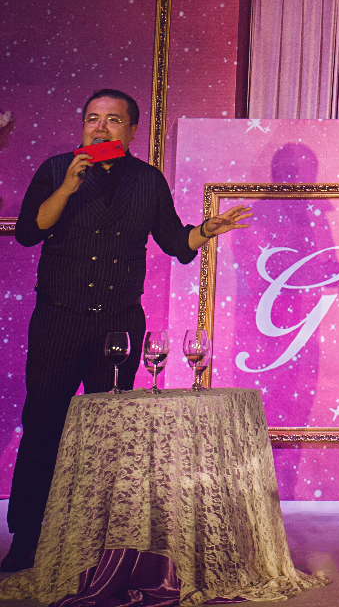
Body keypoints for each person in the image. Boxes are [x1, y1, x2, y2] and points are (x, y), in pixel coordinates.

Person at [2, 90, 251, 573]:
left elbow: (175, 241)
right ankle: (27, 537)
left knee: (109, 432)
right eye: (92, 118)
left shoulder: (147, 180)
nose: (100, 127)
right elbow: (30, 232)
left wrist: (207, 229)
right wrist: (68, 187)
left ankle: (99, 539)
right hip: (58, 319)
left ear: (133, 130)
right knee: (43, 427)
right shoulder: (57, 169)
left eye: (113, 120)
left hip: (117, 323)